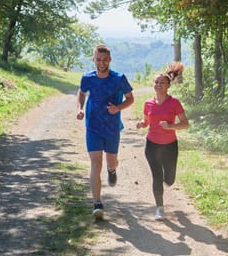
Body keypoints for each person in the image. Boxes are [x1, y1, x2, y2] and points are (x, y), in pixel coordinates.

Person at [76, 44, 135, 219]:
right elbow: (81, 93)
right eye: (98, 60)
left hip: (111, 128)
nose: (101, 63)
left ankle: (112, 170)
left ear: (109, 60)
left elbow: (130, 98)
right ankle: (97, 203)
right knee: (96, 163)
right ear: (93, 60)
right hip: (93, 127)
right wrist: (80, 108)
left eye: (104, 60)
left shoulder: (118, 78)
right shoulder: (87, 78)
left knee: (110, 162)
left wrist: (118, 107)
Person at [136, 71, 189, 220]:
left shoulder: (174, 103)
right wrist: (141, 124)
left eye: (162, 83)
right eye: (156, 82)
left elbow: (185, 124)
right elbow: (146, 121)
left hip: (170, 145)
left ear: (168, 86)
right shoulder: (148, 103)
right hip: (152, 144)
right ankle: (159, 207)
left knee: (170, 179)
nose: (158, 85)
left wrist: (170, 126)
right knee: (157, 177)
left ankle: (166, 184)